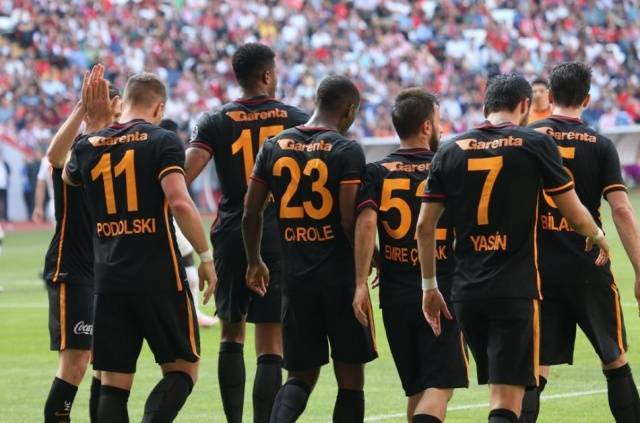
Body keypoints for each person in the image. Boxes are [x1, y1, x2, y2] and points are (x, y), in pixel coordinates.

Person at [417, 73, 610, 423]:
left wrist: (429, 287)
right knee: (506, 401)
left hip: (465, 293)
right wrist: (597, 234)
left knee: (497, 392)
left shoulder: (450, 149)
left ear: (485, 106)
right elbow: (573, 212)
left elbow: (424, 227)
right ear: (525, 105)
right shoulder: (534, 143)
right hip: (514, 290)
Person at [63, 71, 216, 422]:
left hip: (109, 279)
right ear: (159, 107)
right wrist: (206, 256)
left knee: (114, 384)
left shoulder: (88, 145)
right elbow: (179, 201)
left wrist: (94, 127)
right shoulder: (163, 140)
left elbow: (68, 175)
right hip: (159, 274)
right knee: (183, 369)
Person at [185, 43, 309, 423]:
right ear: (268, 75)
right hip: (279, 235)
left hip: (230, 234)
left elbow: (182, 175)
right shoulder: (296, 119)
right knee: (271, 340)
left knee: (231, 334)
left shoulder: (214, 120)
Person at [243, 75, 378, 423]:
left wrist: (254, 260)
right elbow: (348, 220)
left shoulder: (273, 146)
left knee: (300, 376)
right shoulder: (347, 150)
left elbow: (251, 212)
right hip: (340, 278)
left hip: (295, 278)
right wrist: (369, 259)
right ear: (349, 110)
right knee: (350, 378)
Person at [525, 62, 640, 423]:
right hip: (589, 264)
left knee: (535, 369)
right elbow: (621, 210)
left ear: (550, 96)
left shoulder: (525, 139)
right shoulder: (601, 145)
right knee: (615, 360)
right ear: (587, 99)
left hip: (537, 268)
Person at [353, 88, 468, 423]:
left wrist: (360, 282)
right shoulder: (447, 167)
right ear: (426, 126)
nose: (441, 127)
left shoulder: (376, 171)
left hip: (394, 295)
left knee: (416, 390)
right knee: (439, 388)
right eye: (439, 120)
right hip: (441, 289)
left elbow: (366, 224)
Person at [42, 65, 121, 423]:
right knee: (75, 364)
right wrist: (80, 110)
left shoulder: (121, 152)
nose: (115, 121)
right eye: (111, 113)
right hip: (72, 268)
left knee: (105, 365)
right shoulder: (79, 150)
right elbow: (53, 158)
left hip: (107, 269)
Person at [162, 117, 218, 328]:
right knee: (185, 261)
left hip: (161, 216)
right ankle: (189, 313)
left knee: (185, 262)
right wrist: (206, 256)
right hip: (167, 215)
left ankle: (192, 312)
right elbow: (179, 200)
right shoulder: (168, 147)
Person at [0, 150, 10, 221]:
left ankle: (5, 216)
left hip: (4, 186)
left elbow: (9, 172)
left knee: (5, 201)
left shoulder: (5, 164)